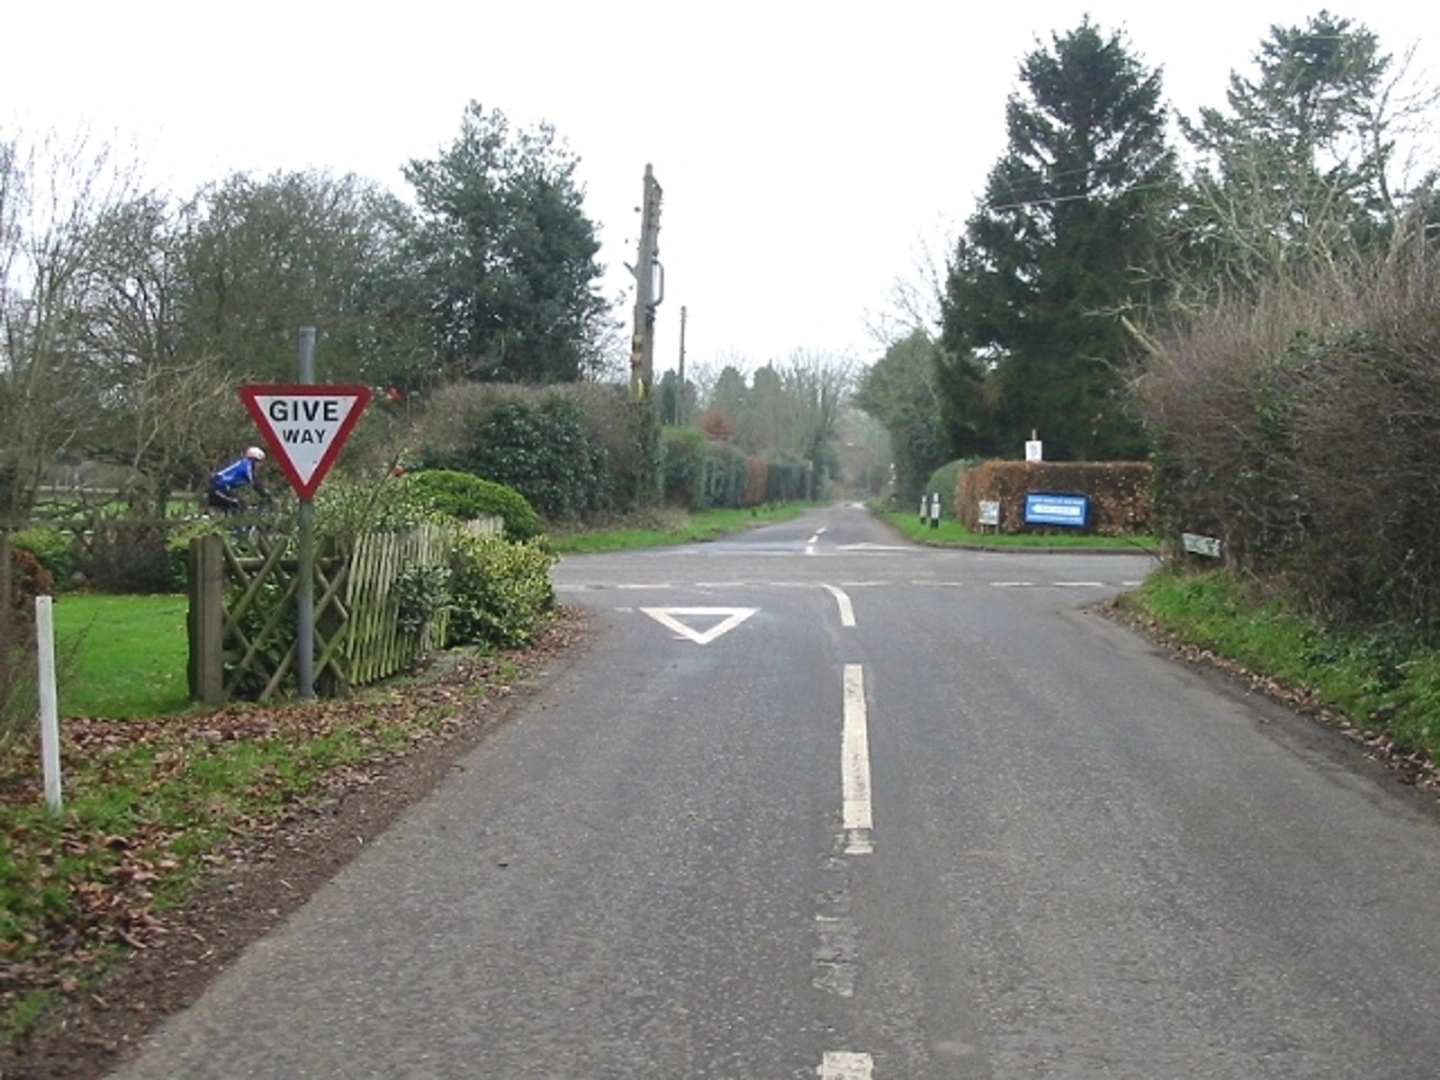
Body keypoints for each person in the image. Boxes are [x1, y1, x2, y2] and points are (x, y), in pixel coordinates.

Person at [207, 447, 271, 513]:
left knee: (232, 508)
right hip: (218, 488)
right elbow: (254, 482)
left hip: (220, 488)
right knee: (240, 505)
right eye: (259, 461)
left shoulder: (242, 463)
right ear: (253, 460)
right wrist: (266, 495)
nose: (260, 465)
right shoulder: (246, 465)